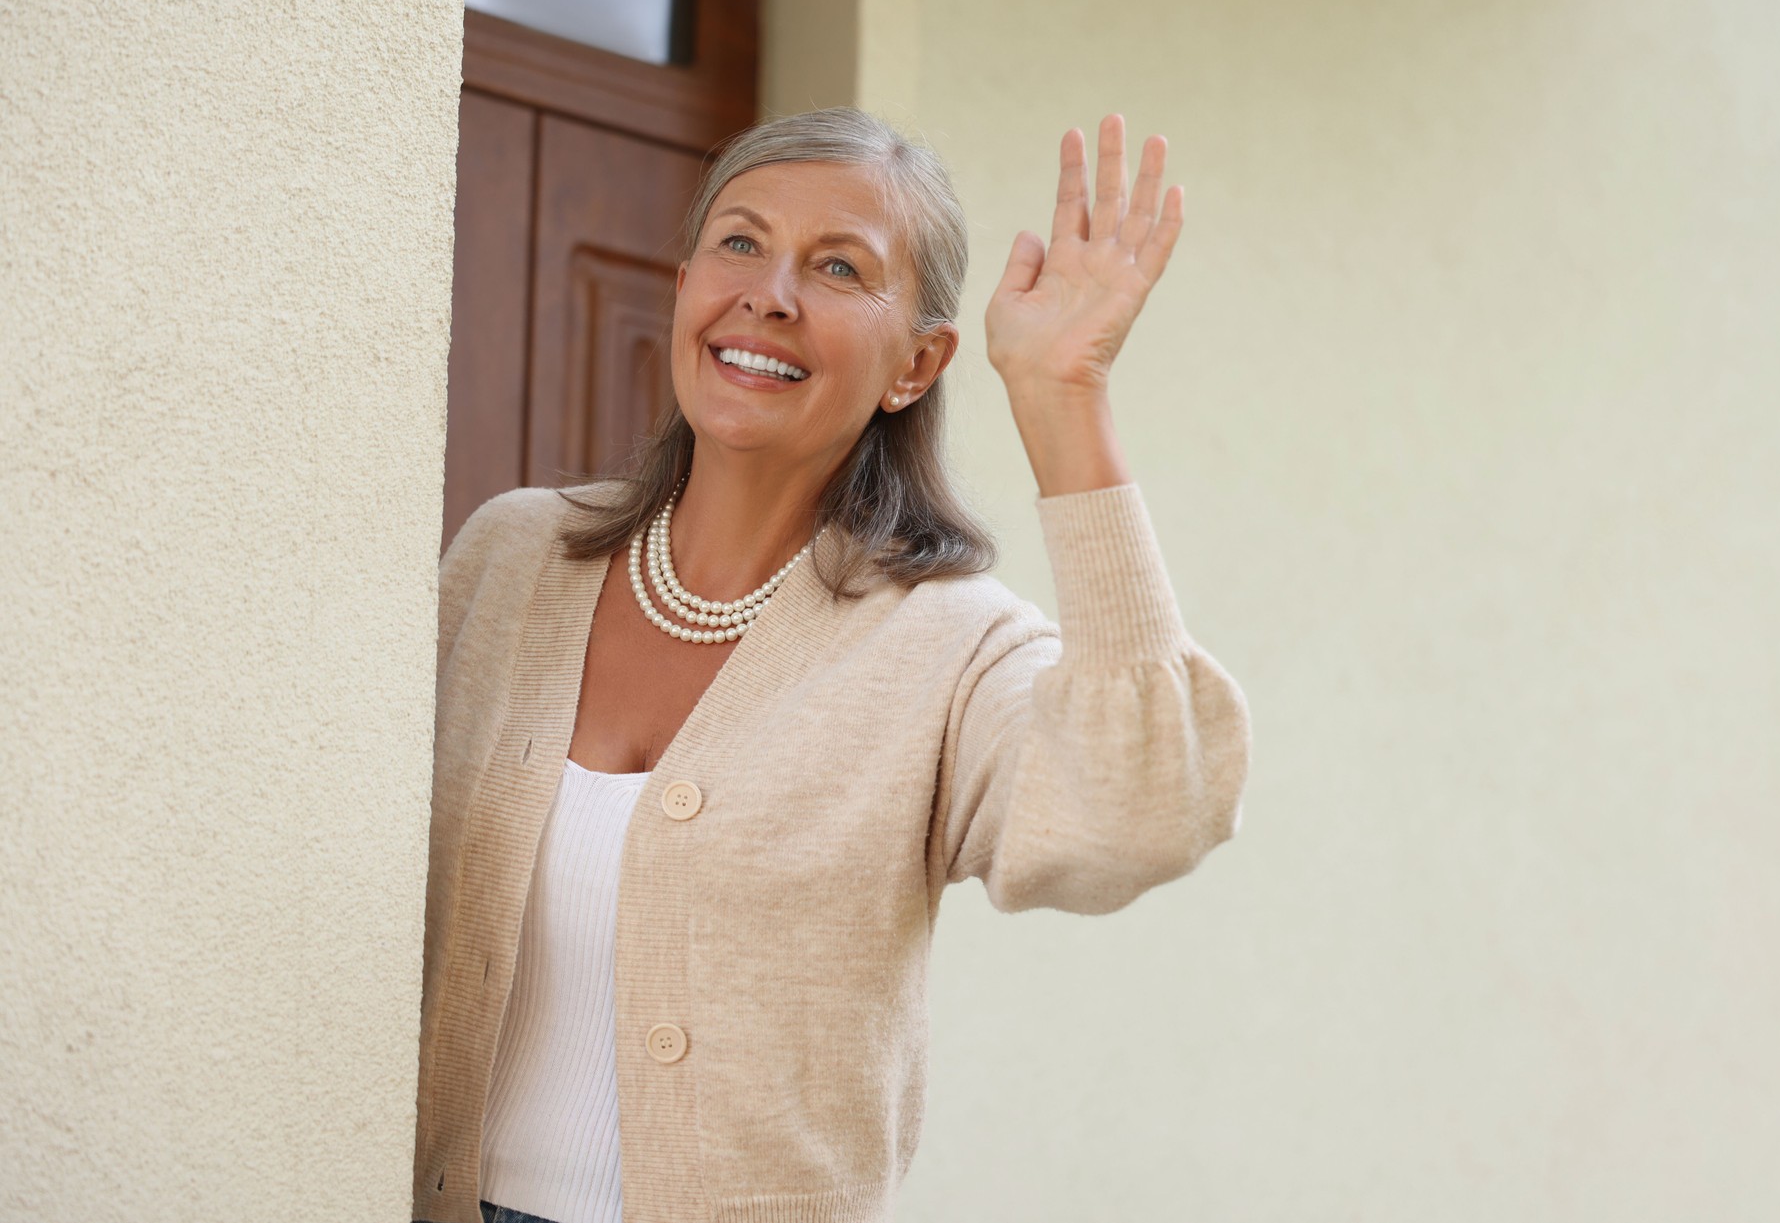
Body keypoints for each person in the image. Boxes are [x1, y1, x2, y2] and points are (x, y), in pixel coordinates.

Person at [412, 106, 1251, 1223]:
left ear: (916, 364)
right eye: (741, 243)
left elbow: (1141, 815)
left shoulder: (953, 645)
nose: (770, 292)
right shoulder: (509, 559)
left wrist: (1064, 401)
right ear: (687, 283)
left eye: (839, 267)